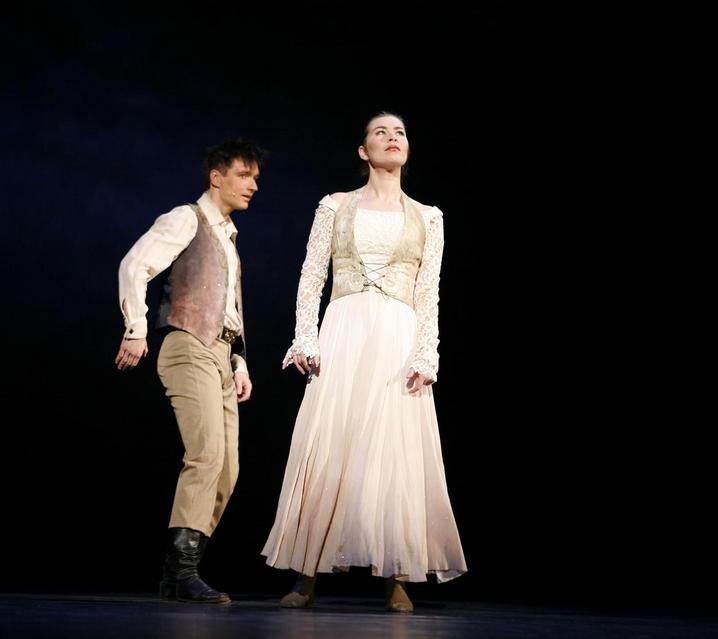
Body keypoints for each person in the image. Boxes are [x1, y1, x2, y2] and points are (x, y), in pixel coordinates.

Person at [261, 113, 466, 612]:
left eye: (400, 133)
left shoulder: (429, 216)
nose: (392, 138)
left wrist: (427, 352)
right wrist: (305, 338)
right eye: (381, 132)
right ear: (362, 150)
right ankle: (306, 573)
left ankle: (398, 574)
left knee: (395, 449)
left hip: (397, 334)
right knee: (330, 441)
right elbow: (312, 275)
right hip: (345, 328)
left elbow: (429, 291)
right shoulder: (335, 206)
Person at [115, 138, 264, 604]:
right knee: (206, 454)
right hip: (188, 345)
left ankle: (179, 569)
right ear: (216, 177)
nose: (253, 186)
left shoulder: (229, 238)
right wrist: (136, 329)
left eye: (256, 178)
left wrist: (239, 360)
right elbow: (135, 265)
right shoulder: (187, 218)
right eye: (244, 175)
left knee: (228, 468)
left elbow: (228, 307)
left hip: (221, 355)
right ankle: (181, 572)